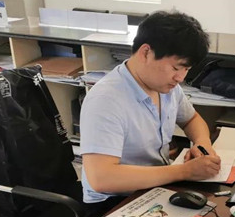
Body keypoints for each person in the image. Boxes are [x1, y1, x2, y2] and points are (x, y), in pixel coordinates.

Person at [80, 11, 221, 205]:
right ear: (146, 52)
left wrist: (202, 143)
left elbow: (191, 119)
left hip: (155, 187)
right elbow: (102, 179)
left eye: (186, 70)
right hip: (113, 201)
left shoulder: (166, 87)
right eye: (176, 68)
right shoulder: (106, 100)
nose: (180, 78)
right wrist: (183, 172)